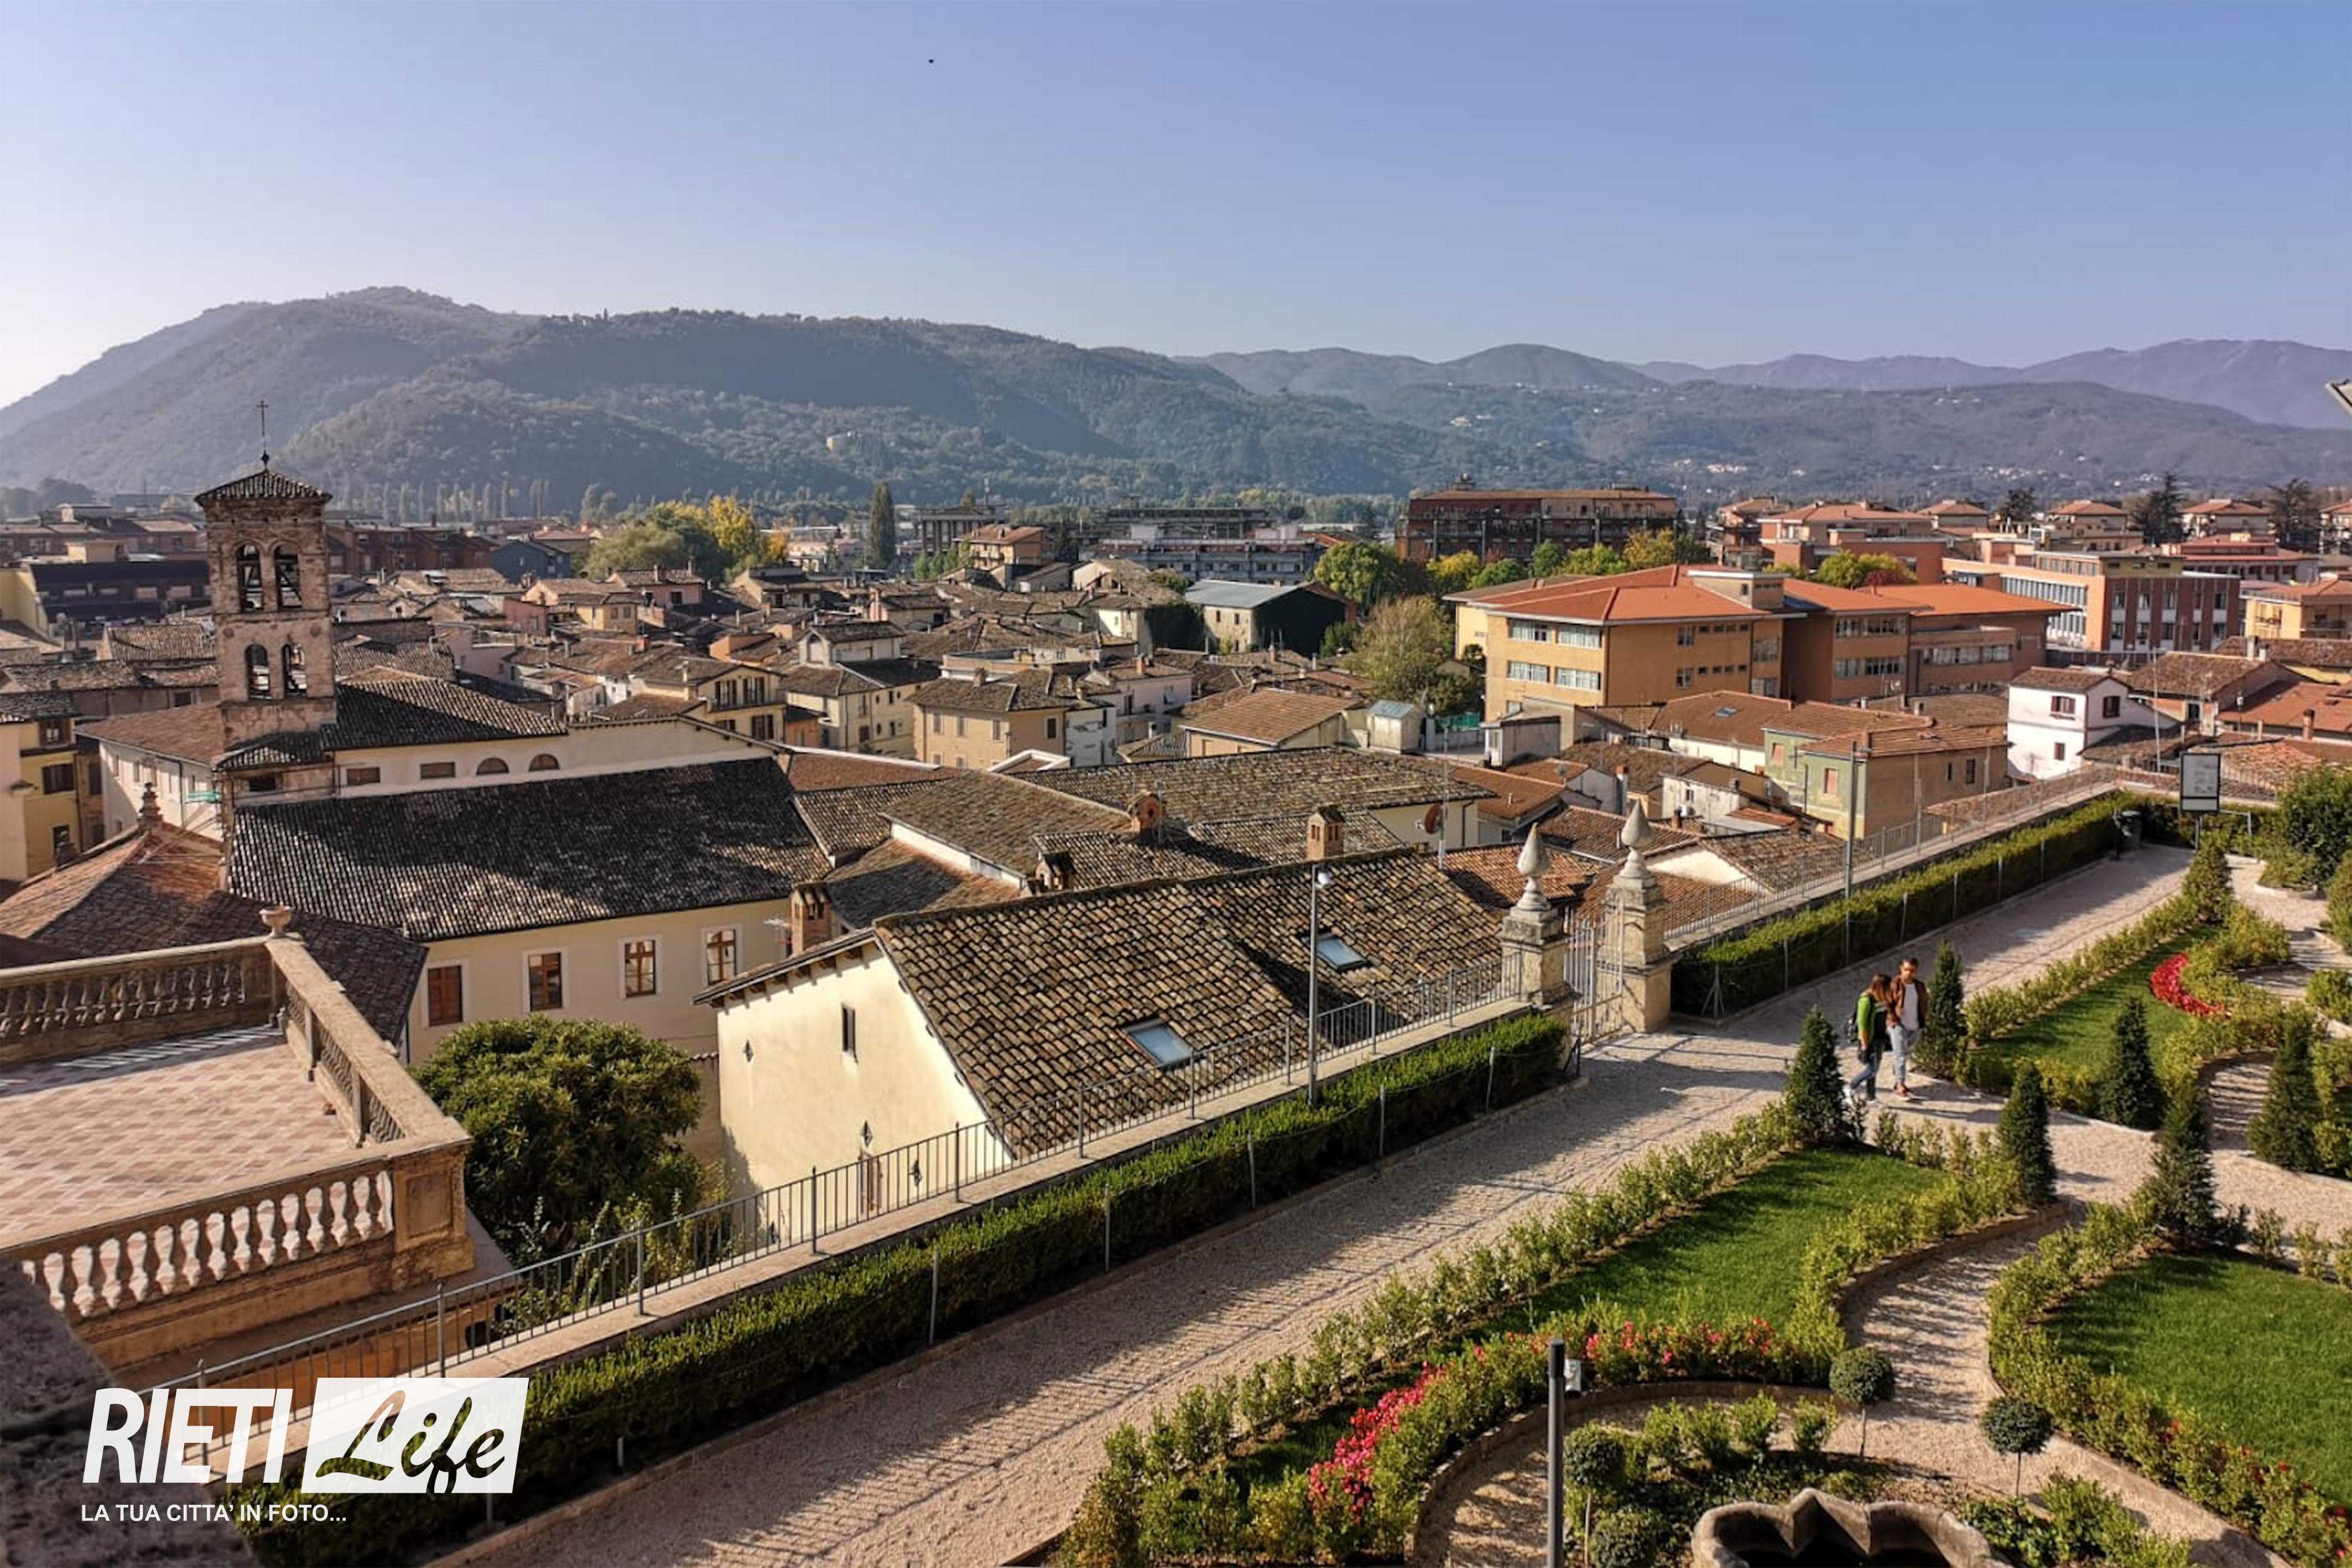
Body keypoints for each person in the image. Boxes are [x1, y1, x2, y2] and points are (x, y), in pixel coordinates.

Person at [1850, 973, 1892, 1105]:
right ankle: (1851, 1087)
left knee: (1873, 1067)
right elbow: (1862, 1025)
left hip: (1880, 1037)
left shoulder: (1882, 999)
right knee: (1872, 1070)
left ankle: (1871, 1096)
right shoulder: (1866, 1000)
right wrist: (1865, 1045)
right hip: (1870, 1039)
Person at [1889, 956, 1927, 1100]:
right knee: (1900, 1056)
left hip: (1915, 1025)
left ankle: (1897, 1079)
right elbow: (1887, 1003)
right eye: (1906, 970)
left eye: (1912, 971)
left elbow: (1924, 1003)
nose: (1909, 974)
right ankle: (1900, 1086)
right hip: (1897, 1024)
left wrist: (1924, 1018)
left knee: (1905, 1054)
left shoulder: (1920, 986)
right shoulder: (1895, 985)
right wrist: (1894, 1013)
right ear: (1901, 969)